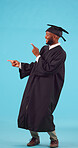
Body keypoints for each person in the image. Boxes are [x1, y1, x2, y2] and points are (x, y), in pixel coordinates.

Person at [7, 24, 69, 147]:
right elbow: (37, 66)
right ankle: (35, 138)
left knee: (44, 112)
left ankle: (54, 139)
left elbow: (48, 69)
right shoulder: (44, 49)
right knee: (29, 108)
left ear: (55, 37)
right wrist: (19, 64)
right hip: (34, 84)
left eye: (47, 34)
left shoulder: (61, 54)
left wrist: (37, 55)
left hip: (47, 88)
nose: (45, 37)